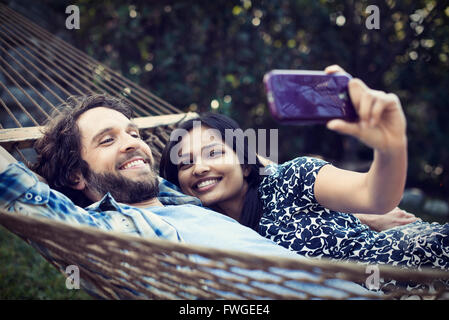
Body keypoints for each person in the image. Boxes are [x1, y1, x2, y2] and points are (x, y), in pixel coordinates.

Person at [0, 94, 373, 299]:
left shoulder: (180, 197)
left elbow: (254, 167)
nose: (134, 144)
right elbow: (23, 191)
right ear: (76, 175)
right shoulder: (110, 230)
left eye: (134, 133)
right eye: (108, 139)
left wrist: (361, 209)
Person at [159, 66, 449, 271]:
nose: (199, 167)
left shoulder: (292, 178)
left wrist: (390, 146)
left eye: (214, 152)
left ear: (246, 165)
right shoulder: (202, 231)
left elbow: (375, 197)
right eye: (185, 163)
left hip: (423, 262)